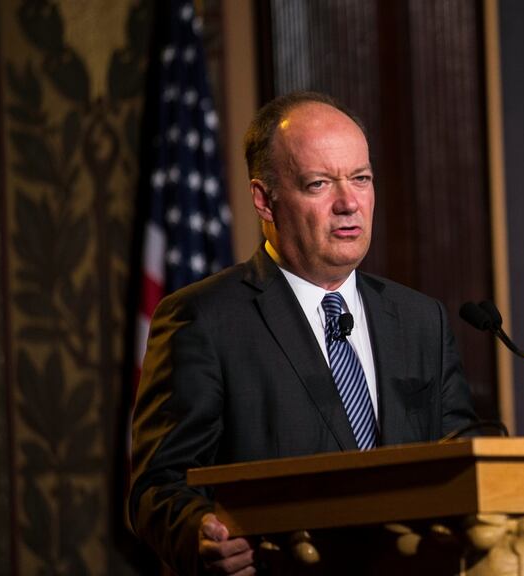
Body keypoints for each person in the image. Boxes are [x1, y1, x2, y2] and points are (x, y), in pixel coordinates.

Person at [129, 91, 478, 574]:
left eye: (361, 178)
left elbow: (461, 458)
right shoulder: (204, 320)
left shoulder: (421, 320)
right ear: (263, 199)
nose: (348, 203)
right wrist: (198, 533)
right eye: (319, 184)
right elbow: (159, 485)